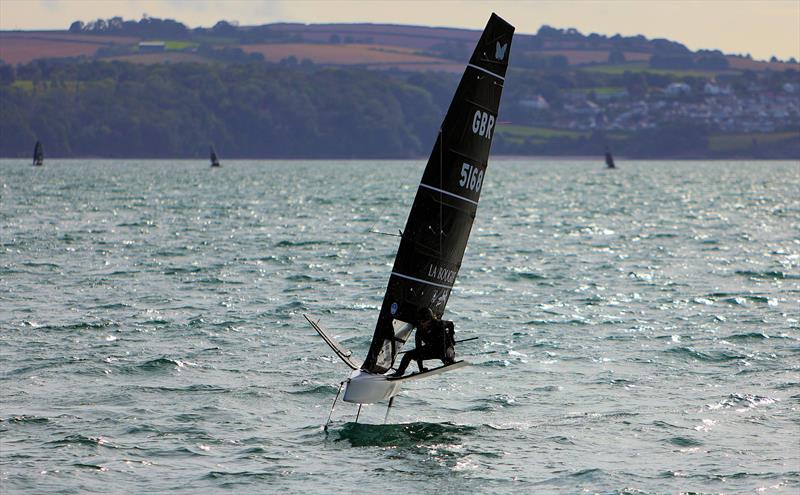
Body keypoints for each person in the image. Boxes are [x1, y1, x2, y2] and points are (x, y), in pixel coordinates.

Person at [390, 307, 455, 377]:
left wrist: (452, 339)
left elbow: (450, 324)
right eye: (420, 322)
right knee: (408, 355)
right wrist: (421, 368)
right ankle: (399, 372)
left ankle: (449, 360)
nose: (422, 324)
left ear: (430, 319)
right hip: (432, 350)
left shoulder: (439, 324)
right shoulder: (419, 331)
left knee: (447, 354)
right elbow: (419, 349)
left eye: (424, 321)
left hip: (445, 348)